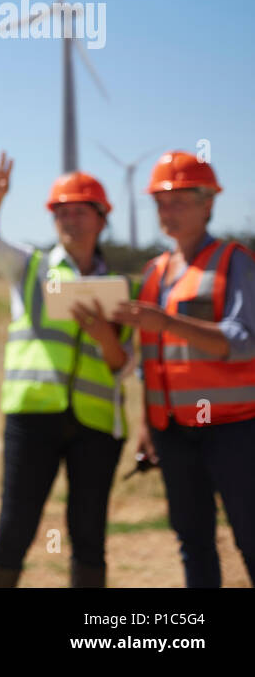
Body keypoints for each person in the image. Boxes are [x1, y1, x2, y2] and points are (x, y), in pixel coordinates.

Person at [0, 152, 134, 587]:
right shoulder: (30, 266)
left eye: (80, 211)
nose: (70, 220)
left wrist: (105, 334)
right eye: (61, 212)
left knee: (89, 535)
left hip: (96, 424)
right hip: (33, 416)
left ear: (102, 219)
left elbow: (124, 365)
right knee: (16, 528)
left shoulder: (122, 288)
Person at [113, 151, 255, 587]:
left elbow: (245, 340)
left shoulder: (234, 261)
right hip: (172, 432)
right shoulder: (155, 271)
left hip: (232, 430)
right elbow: (151, 361)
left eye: (177, 201)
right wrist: (146, 425)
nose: (166, 212)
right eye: (159, 203)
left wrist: (170, 322)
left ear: (208, 203)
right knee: (193, 542)